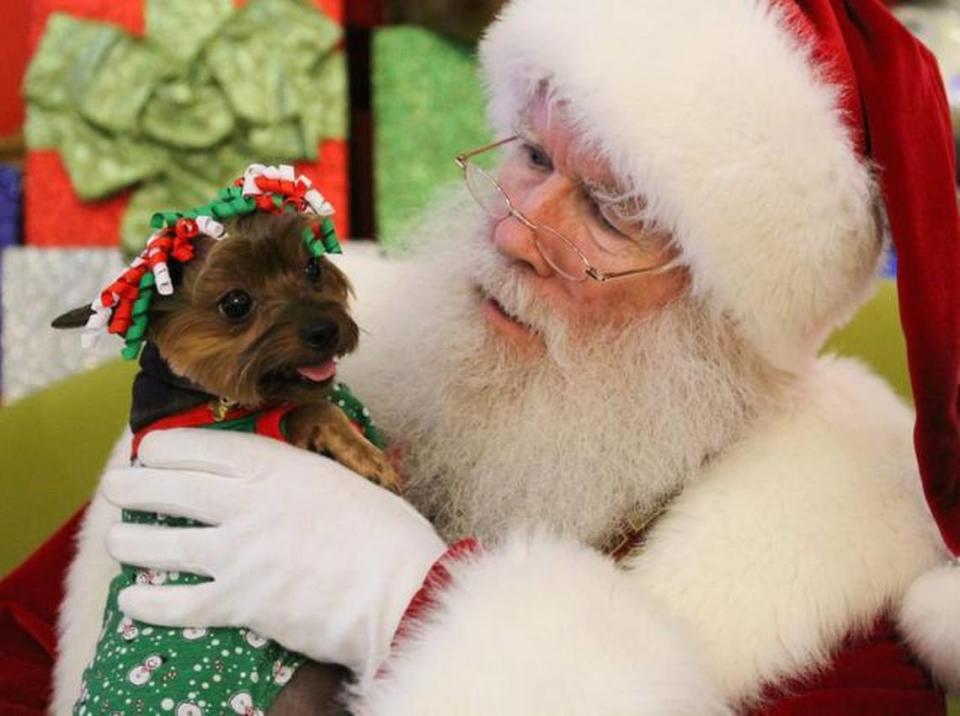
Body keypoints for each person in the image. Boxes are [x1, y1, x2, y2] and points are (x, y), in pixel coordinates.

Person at [53, 0, 960, 713]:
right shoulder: (315, 356)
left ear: (737, 313)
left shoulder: (842, 575)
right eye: (530, 154)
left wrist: (417, 606)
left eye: (614, 209)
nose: (515, 230)